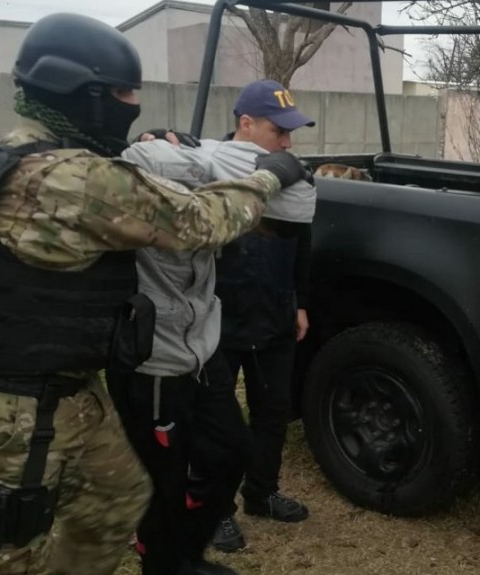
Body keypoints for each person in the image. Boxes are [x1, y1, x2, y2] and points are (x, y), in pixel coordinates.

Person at [0, 13, 308, 575]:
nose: (133, 104)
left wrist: (160, 148)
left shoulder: (14, 154)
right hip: (2, 407)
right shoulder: (67, 177)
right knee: (7, 551)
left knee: (120, 501)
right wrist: (270, 175)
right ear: (84, 95)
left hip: (58, 389)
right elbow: (201, 221)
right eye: (124, 93)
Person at [110, 125, 309, 575]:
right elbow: (211, 218)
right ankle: (161, 557)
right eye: (268, 227)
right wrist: (269, 176)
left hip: (201, 352)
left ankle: (185, 544)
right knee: (162, 476)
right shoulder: (170, 194)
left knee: (232, 450)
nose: (265, 235)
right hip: (156, 361)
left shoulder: (207, 172)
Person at [211, 79, 317, 553]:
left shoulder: (292, 177)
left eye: (291, 133)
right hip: (219, 317)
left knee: (273, 412)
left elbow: (303, 241)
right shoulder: (210, 171)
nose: (288, 143)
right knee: (216, 421)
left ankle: (262, 492)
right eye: (280, 132)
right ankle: (216, 509)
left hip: (274, 311)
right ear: (246, 124)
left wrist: (300, 301)